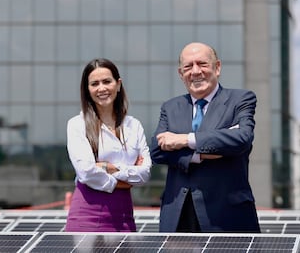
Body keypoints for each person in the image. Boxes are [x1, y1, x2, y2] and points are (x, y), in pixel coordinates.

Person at [150, 42, 261, 233]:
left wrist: (184, 140)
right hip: (178, 217)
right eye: (188, 66)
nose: (195, 71)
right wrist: (199, 155)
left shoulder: (240, 100)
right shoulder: (170, 107)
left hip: (227, 217)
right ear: (180, 74)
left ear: (217, 67)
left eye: (202, 64)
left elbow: (241, 139)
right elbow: (157, 151)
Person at [65, 58, 152, 232]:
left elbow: (145, 173)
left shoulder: (133, 126)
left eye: (107, 81)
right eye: (94, 84)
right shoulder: (77, 124)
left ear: (118, 84)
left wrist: (108, 167)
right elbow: (86, 172)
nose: (101, 88)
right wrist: (126, 178)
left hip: (124, 217)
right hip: (86, 216)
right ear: (87, 89)